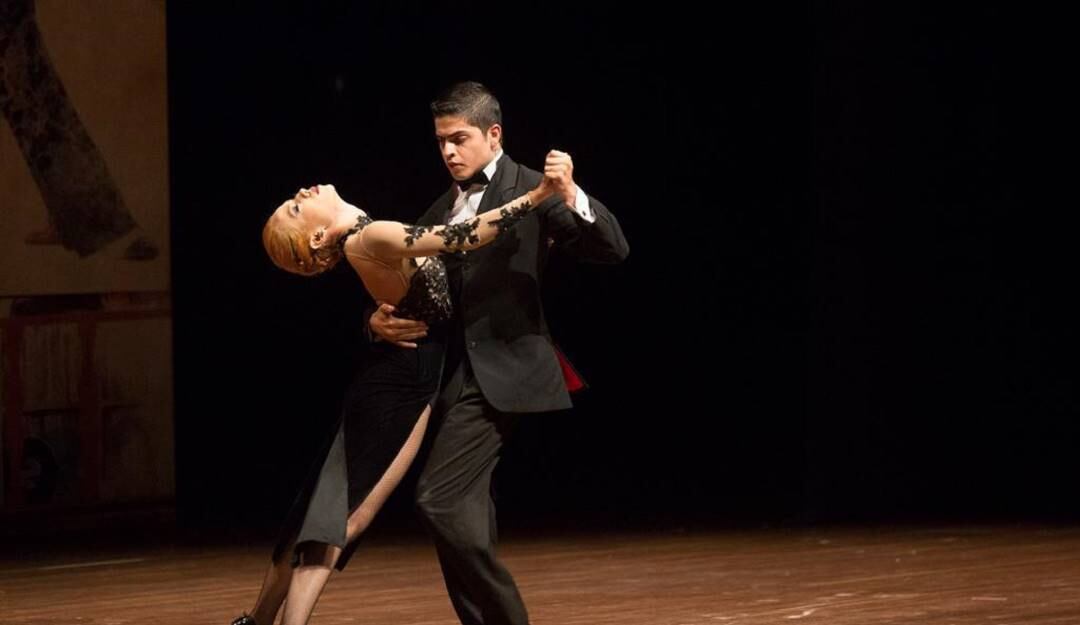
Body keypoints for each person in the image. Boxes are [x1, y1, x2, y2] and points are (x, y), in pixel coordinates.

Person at [231, 161, 561, 625]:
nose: (302, 192)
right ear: (317, 237)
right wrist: (540, 194)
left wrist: (372, 320)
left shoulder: (366, 239)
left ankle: (261, 620)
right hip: (398, 390)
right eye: (295, 207)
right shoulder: (372, 237)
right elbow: (465, 235)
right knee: (340, 516)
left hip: (401, 381)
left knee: (328, 508)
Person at [369, 81, 629, 625]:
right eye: (440, 141)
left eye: (459, 139)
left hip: (504, 368)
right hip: (450, 374)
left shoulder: (533, 189)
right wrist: (377, 323)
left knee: (438, 499)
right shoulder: (441, 207)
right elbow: (413, 289)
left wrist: (572, 193)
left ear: (494, 135)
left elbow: (611, 247)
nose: (448, 151)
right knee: (465, 515)